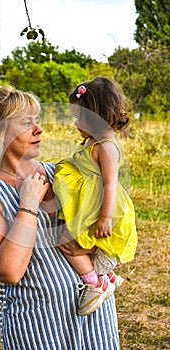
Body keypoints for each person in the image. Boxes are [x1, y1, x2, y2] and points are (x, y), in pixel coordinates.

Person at [0, 75, 121, 350]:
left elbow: (107, 211)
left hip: (95, 320)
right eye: (27, 123)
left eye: (37, 121)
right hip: (40, 329)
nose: (39, 130)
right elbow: (10, 271)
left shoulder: (62, 172)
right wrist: (27, 206)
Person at [53, 76, 137, 316]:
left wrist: (105, 218)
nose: (74, 122)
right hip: (90, 206)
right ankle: (107, 276)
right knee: (71, 241)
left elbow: (111, 184)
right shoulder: (94, 141)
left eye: (78, 117)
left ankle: (94, 282)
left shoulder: (106, 145)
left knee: (66, 241)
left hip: (100, 209)